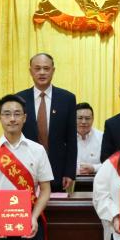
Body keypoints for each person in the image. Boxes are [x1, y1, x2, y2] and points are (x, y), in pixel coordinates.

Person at [0, 95, 53, 240]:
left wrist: (34, 217)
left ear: (24, 118)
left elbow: (45, 189)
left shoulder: (38, 150)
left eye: (17, 114)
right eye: (7, 114)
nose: (12, 119)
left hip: (30, 221)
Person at [18, 53, 77, 192]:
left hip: (58, 172)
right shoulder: (19, 99)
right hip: (26, 170)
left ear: (53, 70)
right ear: (30, 71)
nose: (42, 72)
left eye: (46, 68)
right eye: (37, 68)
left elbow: (71, 139)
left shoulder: (67, 98)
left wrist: (69, 172)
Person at [76, 102, 105, 175]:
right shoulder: (65, 138)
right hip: (71, 180)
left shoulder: (102, 137)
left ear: (93, 119)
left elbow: (110, 163)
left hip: (96, 179)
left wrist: (94, 168)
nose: (83, 122)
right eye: (80, 118)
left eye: (87, 118)